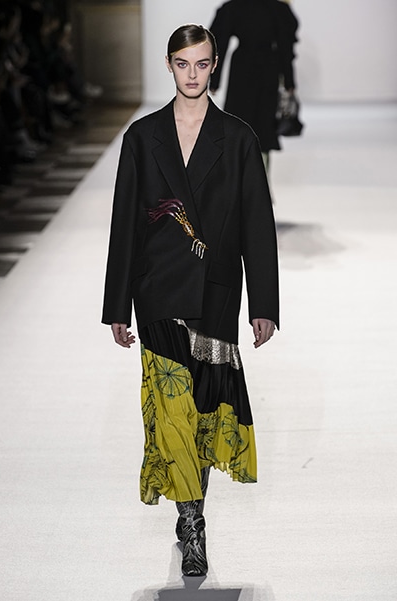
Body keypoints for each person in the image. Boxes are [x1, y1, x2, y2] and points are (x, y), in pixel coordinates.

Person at [101, 24, 279, 578]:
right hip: (157, 288)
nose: (193, 74)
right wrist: (116, 305)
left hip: (216, 290)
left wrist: (264, 303)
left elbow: (257, 223)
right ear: (169, 65)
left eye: (202, 64)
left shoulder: (238, 137)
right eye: (183, 63)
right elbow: (125, 223)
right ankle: (193, 521)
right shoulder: (142, 137)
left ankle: (191, 507)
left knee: (202, 411)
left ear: (214, 64)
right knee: (173, 409)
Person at [209, 0, 299, 171]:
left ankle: (238, 175)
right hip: (267, 68)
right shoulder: (277, 8)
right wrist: (289, 80)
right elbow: (285, 45)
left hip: (242, 67)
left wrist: (215, 80)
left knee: (238, 121)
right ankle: (261, 176)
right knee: (263, 122)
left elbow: (220, 42)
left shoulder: (233, 8)